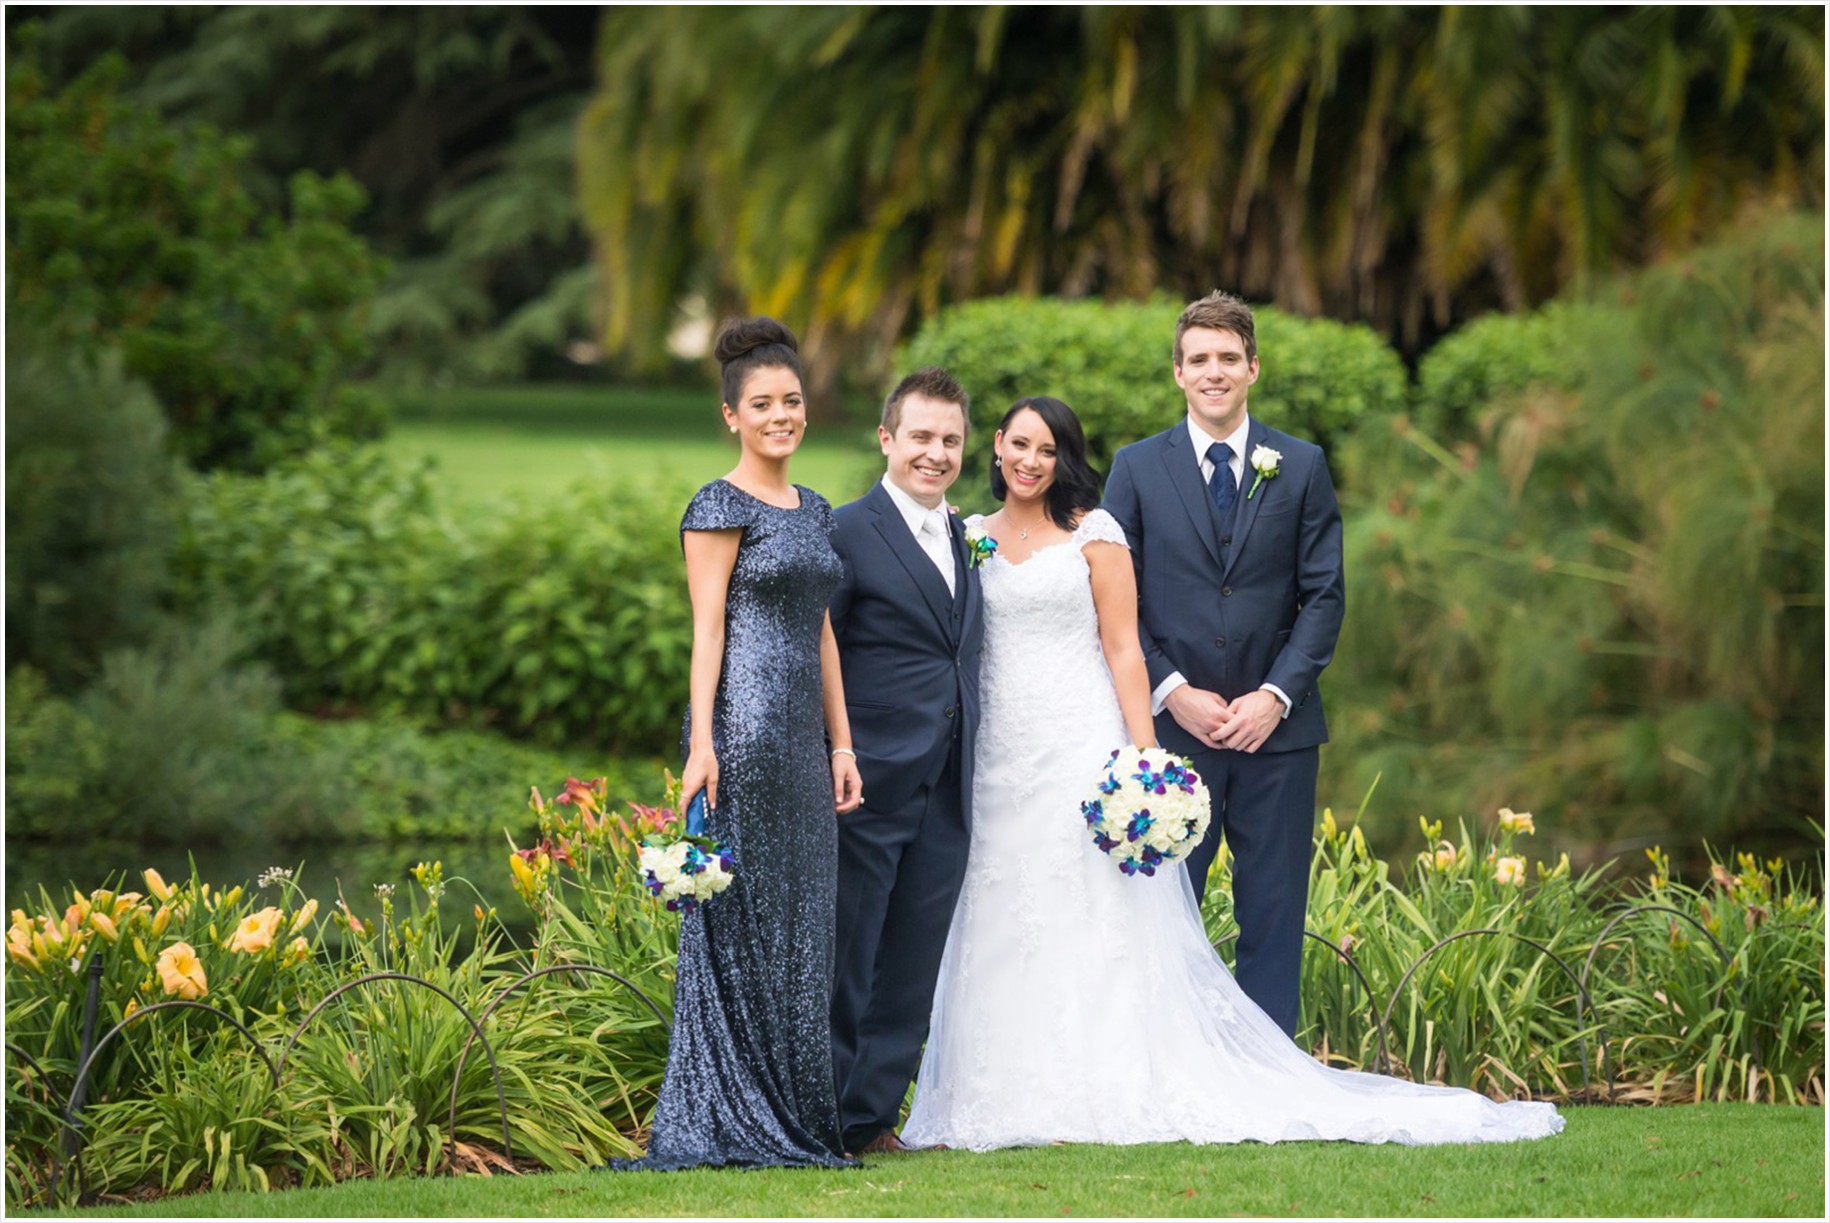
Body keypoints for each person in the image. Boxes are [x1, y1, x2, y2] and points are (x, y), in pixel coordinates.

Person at [900, 395, 1562, 1150]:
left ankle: (1108, 1080)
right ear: (996, 446)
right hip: (1000, 753)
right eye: (1019, 444)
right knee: (1000, 910)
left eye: (1047, 450)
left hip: (1079, 741)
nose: (1030, 460)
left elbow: (1122, 647)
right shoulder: (968, 536)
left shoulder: (1096, 532)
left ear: (1066, 459)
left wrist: (1143, 759)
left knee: (1096, 913)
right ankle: (999, 1088)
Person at [612, 316, 863, 1171]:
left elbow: (823, 632)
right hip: (744, 736)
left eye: (792, 400)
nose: (781, 415)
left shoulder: (817, 508)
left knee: (803, 924)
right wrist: (701, 743)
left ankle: (795, 1116)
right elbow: (708, 630)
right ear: (732, 415)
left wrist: (843, 743)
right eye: (763, 404)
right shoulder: (716, 506)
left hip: (805, 739)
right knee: (744, 921)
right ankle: (731, 1112)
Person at [1101, 289, 1342, 1038]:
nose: (1214, 372)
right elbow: (1112, 602)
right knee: (1164, 911)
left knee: (1273, 909)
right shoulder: (1136, 469)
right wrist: (1172, 692)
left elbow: (1325, 596)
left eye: (1228, 359)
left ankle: (1271, 1070)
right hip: (1175, 736)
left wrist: (1276, 695)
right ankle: (1165, 1060)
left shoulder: (1299, 466)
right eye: (1199, 359)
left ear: (1253, 368)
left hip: (1278, 735)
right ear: (1177, 372)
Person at [827, 366, 984, 1156]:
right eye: (920, 436)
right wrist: (836, 751)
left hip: (950, 783)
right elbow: (817, 652)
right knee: (849, 952)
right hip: (867, 780)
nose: (936, 453)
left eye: (950, 439)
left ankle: (870, 1117)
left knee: (912, 959)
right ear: (887, 439)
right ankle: (821, 1111)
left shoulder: (966, 535)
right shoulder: (847, 530)